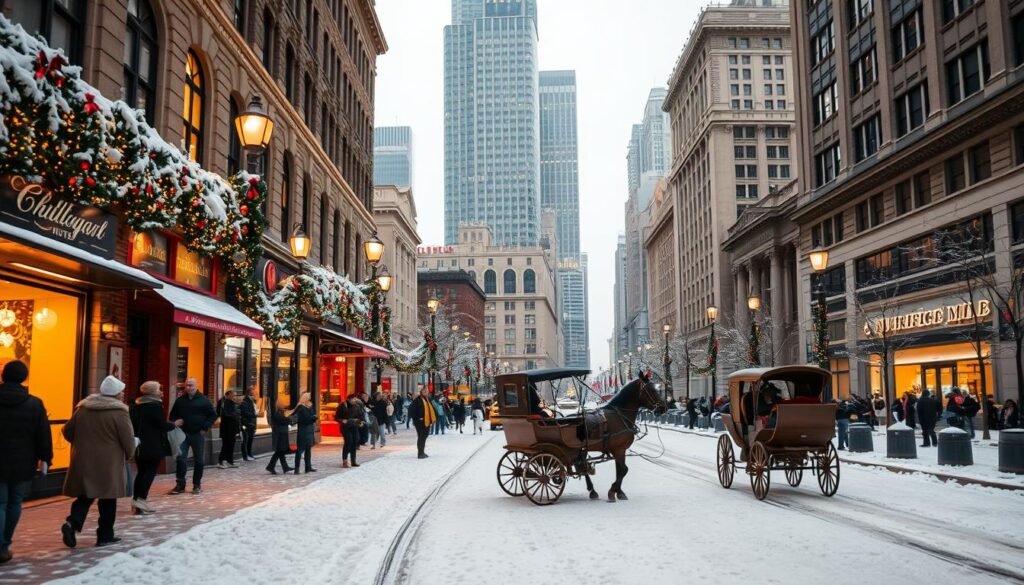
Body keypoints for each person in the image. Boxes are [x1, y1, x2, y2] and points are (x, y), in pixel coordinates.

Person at [60, 376, 135, 548]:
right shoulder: (119, 412)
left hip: (84, 459)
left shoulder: (84, 409)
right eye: (121, 392)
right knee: (108, 499)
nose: (123, 394)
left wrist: (80, 444)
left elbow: (67, 430)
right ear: (116, 394)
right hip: (109, 462)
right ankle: (105, 535)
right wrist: (130, 454)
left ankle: (72, 523)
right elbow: (128, 439)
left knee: (85, 495)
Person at [0, 360, 52, 563]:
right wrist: (45, 458)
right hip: (22, 460)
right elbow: (43, 435)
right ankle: (4, 544)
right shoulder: (34, 403)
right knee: (14, 502)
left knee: (1, 502)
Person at [129, 381, 180, 515]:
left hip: (139, 444)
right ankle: (141, 499)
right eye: (159, 389)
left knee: (141, 472)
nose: (162, 392)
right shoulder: (154, 406)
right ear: (153, 392)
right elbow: (161, 425)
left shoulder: (136, 405)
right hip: (153, 444)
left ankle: (136, 500)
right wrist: (174, 424)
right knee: (150, 472)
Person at [168, 378, 217, 495]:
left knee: (199, 460)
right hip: (182, 434)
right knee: (181, 459)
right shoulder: (180, 401)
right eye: (187, 385)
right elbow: (172, 415)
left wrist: (205, 427)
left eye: (191, 385)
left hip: (197, 434)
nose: (189, 387)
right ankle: (180, 484)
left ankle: (196, 484)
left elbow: (213, 415)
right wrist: (175, 422)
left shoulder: (204, 400)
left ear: (196, 386)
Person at [335, 393, 365, 468]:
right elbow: (337, 417)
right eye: (353, 399)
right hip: (345, 427)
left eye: (356, 399)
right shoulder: (343, 405)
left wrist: (361, 422)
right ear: (349, 399)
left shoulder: (357, 406)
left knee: (354, 442)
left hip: (354, 426)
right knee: (349, 442)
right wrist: (342, 420)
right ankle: (345, 461)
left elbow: (361, 416)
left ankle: (353, 461)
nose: (355, 400)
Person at [290, 392, 317, 473]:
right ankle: (297, 468)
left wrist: (313, 415)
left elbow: (311, 415)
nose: (310, 399)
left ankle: (308, 467)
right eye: (308, 397)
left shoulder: (309, 406)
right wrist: (313, 418)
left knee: (308, 450)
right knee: (300, 450)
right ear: (305, 398)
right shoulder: (300, 408)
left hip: (309, 430)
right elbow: (305, 419)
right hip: (303, 431)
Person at [265, 401, 294, 474]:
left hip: (282, 435)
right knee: (279, 452)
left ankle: (284, 467)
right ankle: (271, 466)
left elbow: (287, 420)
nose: (284, 407)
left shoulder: (280, 413)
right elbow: (286, 420)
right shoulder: (277, 414)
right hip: (280, 435)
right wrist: (289, 418)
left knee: (280, 452)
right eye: (283, 406)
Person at [216, 390, 241, 469]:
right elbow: (227, 415)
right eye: (233, 395)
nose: (234, 397)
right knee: (226, 445)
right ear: (228, 395)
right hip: (227, 428)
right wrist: (236, 415)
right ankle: (221, 461)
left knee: (231, 444)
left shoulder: (229, 402)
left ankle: (230, 461)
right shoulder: (225, 402)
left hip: (231, 428)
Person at [409, 388, 437, 458]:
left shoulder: (428, 399)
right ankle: (420, 453)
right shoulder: (417, 400)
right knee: (421, 437)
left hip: (427, 421)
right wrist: (418, 418)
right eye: (424, 391)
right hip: (420, 422)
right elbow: (411, 410)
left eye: (427, 391)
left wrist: (433, 418)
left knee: (424, 436)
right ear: (421, 392)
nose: (426, 392)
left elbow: (432, 409)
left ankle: (422, 452)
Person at [239, 386, 259, 461]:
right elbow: (244, 413)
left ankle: (250, 454)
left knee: (250, 440)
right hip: (246, 424)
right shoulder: (245, 402)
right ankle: (245, 456)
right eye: (254, 392)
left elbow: (254, 411)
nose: (255, 394)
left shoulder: (253, 401)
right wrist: (254, 414)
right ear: (249, 393)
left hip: (252, 424)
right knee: (245, 440)